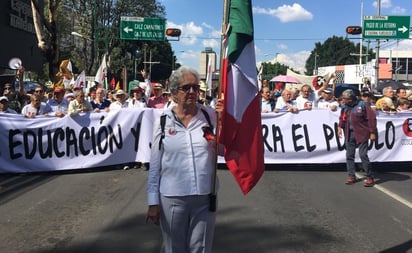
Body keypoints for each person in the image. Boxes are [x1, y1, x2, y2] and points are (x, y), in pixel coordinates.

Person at [146, 66, 223, 253]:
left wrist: (222, 122)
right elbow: (155, 163)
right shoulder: (163, 121)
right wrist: (153, 201)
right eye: (186, 88)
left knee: (202, 248)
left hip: (205, 195)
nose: (192, 92)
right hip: (172, 197)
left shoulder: (209, 115)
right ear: (173, 93)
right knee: (175, 249)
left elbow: (221, 150)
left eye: (196, 88)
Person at [338, 89, 377, 187]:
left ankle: (369, 177)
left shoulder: (363, 105)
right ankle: (351, 175)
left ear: (350, 99)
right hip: (349, 133)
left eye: (345, 98)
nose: (343, 100)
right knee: (349, 155)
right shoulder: (345, 107)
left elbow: (371, 119)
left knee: (363, 155)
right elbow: (342, 118)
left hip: (362, 133)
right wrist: (339, 127)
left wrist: (372, 132)